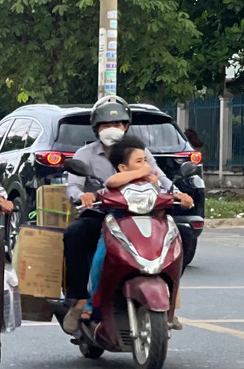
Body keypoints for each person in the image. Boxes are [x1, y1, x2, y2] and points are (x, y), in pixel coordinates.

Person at [61, 96, 196, 333]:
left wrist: (179, 194)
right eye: (106, 125)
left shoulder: (141, 153)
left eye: (120, 124)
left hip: (141, 213)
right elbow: (73, 186)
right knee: (75, 233)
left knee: (184, 235)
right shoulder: (85, 154)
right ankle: (79, 299)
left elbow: (162, 180)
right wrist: (82, 196)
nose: (113, 129)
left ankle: (169, 300)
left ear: (127, 127)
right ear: (96, 129)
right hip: (102, 213)